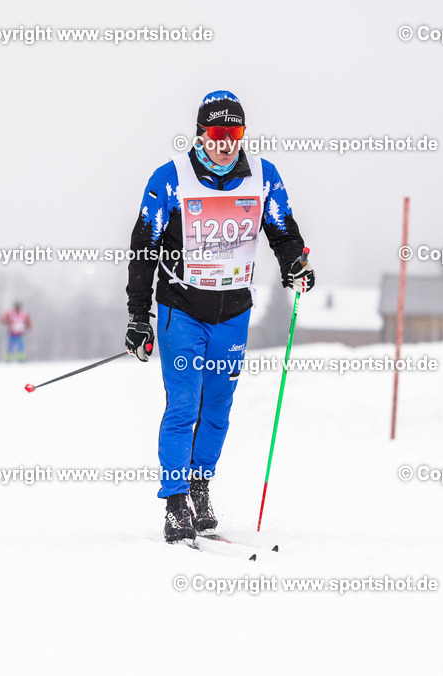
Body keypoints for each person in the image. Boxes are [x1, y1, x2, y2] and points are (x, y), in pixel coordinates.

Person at [124, 91, 315, 543]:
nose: (226, 142)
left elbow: (283, 231)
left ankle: (199, 485)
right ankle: (175, 502)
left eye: (234, 132)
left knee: (217, 408)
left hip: (233, 312)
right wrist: (138, 315)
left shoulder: (264, 178)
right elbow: (143, 248)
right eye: (216, 132)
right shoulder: (170, 179)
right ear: (200, 134)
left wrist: (295, 264)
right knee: (183, 404)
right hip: (181, 308)